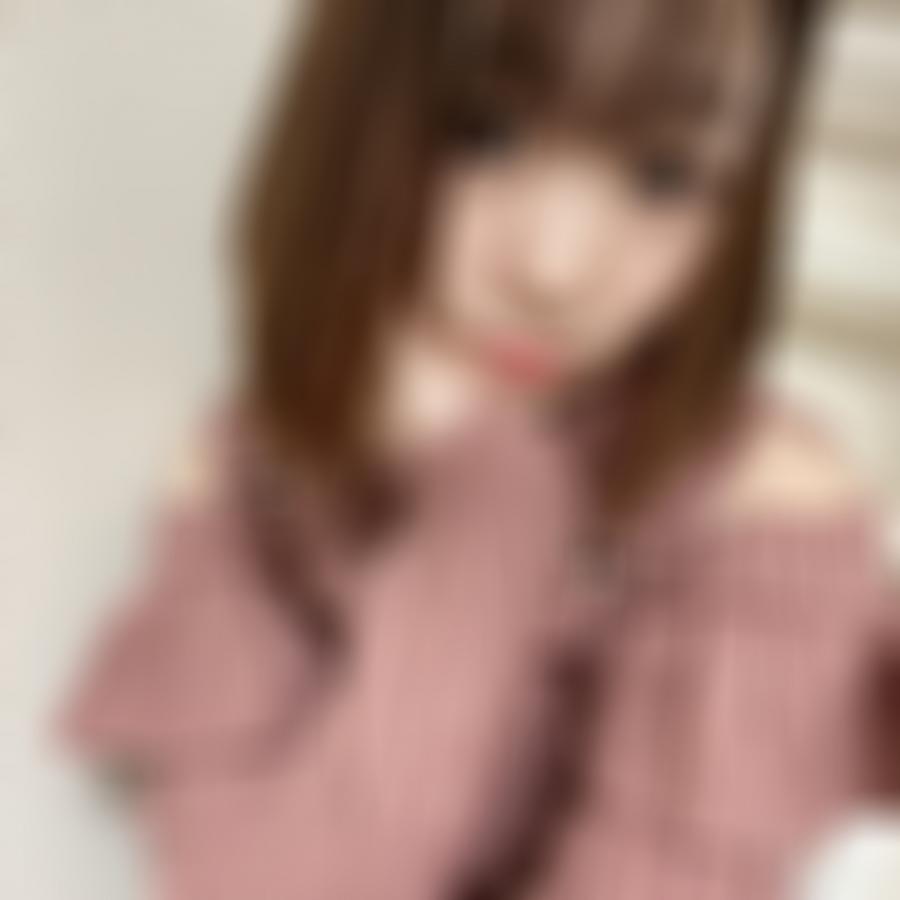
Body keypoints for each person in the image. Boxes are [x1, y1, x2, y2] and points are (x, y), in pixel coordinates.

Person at [56, 0, 900, 897]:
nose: (554, 268)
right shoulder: (252, 471)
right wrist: (488, 507)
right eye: (485, 134)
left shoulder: (761, 505)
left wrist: (483, 500)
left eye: (666, 175)